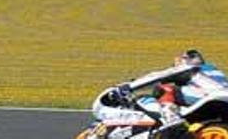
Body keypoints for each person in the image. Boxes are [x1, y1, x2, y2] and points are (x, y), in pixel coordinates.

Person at [89, 50, 228, 136]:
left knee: (165, 89)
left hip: (208, 98)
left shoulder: (191, 68)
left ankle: (172, 122)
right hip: (215, 104)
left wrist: (128, 87)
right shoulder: (213, 71)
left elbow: (157, 76)